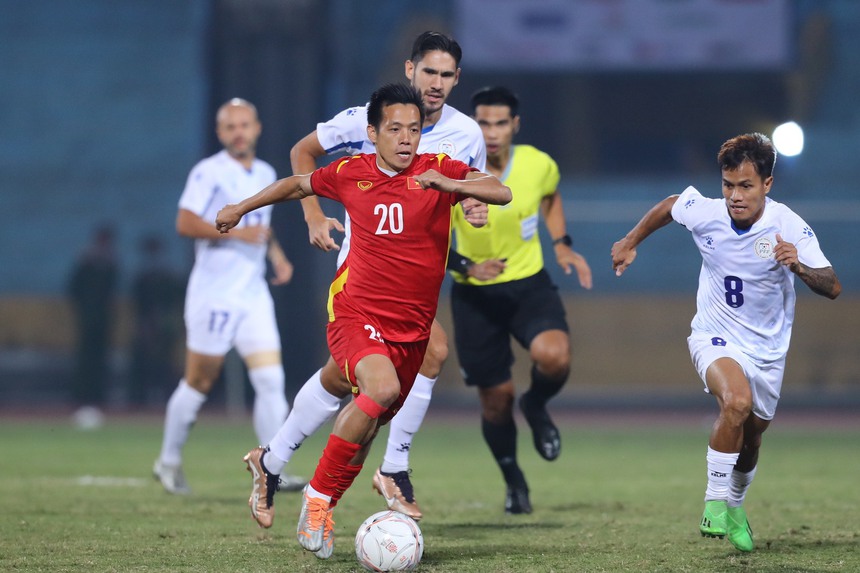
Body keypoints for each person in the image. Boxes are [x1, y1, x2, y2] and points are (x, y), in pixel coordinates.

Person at [217, 83, 510, 559]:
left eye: (414, 130)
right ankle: (316, 501)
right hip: (356, 310)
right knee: (381, 389)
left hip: (411, 328)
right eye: (394, 129)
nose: (406, 139)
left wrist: (453, 187)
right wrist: (240, 208)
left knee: (365, 425)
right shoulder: (351, 172)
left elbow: (501, 190)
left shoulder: (438, 169)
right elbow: (297, 183)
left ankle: (274, 464)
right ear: (373, 133)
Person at [611, 132, 840, 552]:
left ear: (767, 184)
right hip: (713, 335)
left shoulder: (788, 225)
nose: (735, 196)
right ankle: (714, 504)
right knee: (735, 402)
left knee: (751, 440)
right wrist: (629, 241)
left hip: (767, 351)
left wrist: (800, 267)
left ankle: (735, 505)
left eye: (746, 186)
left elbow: (833, 286)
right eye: (728, 185)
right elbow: (669, 206)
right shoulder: (707, 212)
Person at [446, 86, 593, 514]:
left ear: (515, 125)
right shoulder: (450, 170)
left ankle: (537, 403)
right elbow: (423, 233)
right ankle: (514, 480)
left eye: (499, 123)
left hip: (528, 284)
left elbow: (550, 195)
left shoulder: (537, 163)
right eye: (482, 123)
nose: (491, 133)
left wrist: (562, 244)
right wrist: (466, 265)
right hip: (474, 295)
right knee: (497, 401)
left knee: (555, 357)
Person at [152, 98, 305, 495]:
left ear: (257, 128)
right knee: (199, 381)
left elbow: (262, 227)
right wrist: (237, 233)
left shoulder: (266, 172)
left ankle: (272, 467)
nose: (239, 132)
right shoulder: (209, 172)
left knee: (271, 380)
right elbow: (185, 222)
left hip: (252, 293)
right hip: (214, 294)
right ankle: (168, 461)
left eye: (244, 125)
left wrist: (277, 256)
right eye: (230, 126)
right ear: (220, 133)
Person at [67, 223, 119, 422]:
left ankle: (98, 396)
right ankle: (81, 396)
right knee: (85, 359)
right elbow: (74, 289)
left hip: (102, 319)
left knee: (100, 359)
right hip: (88, 318)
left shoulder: (111, 264)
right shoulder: (86, 263)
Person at [128, 235, 185, 407]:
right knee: (146, 361)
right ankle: (143, 398)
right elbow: (139, 305)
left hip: (165, 325)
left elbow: (176, 302)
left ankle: (166, 396)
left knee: (166, 362)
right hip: (148, 324)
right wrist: (144, 325)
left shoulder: (168, 277)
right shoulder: (142, 277)